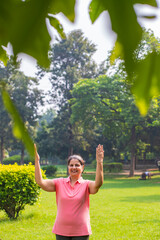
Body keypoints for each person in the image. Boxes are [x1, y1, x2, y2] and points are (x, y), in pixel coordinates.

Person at [34, 144, 104, 240]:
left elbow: (98, 184)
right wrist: (37, 161)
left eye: (77, 165)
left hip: (81, 231)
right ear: (68, 167)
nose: (74, 167)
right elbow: (40, 182)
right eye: (71, 165)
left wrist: (99, 162)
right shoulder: (59, 182)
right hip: (61, 230)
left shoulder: (86, 184)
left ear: (82, 167)